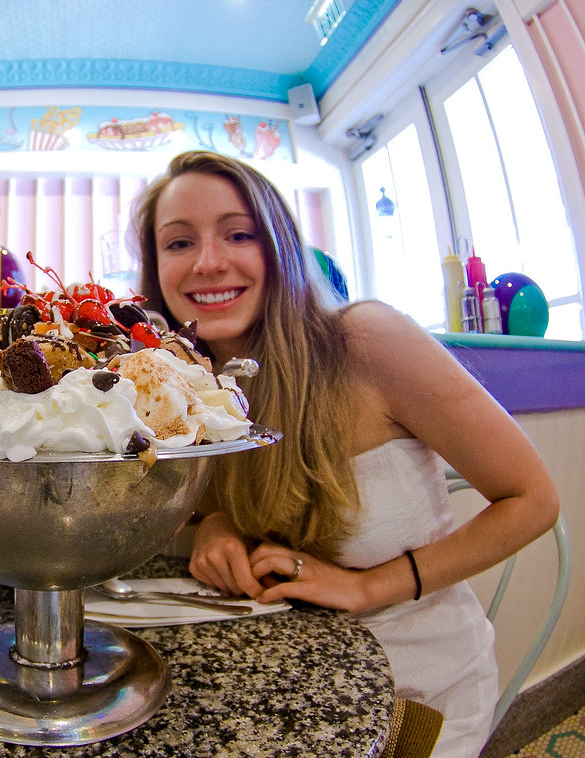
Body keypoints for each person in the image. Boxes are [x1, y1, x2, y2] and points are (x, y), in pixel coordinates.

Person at [130, 150, 559, 757]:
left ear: (278, 245)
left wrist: (367, 589)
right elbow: (226, 495)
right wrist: (216, 525)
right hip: (283, 682)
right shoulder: (182, 383)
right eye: (178, 243)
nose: (207, 262)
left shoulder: (365, 340)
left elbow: (533, 501)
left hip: (416, 696)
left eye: (239, 234)